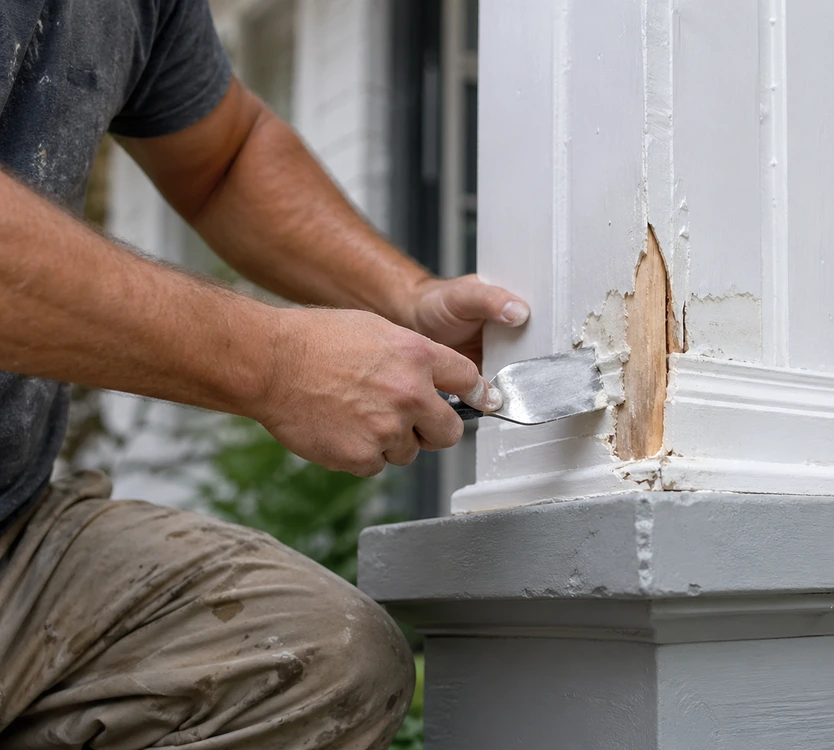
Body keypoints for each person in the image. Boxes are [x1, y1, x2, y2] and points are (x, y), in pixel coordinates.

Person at [0, 1, 529, 747]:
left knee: (317, 656)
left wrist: (403, 298)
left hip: (13, 526)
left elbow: (225, 156)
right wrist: (276, 363)